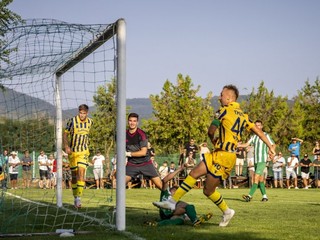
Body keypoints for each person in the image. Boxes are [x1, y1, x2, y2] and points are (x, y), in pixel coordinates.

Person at [153, 84, 275, 227]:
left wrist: (213, 140)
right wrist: (270, 147)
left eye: (222, 95)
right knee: (194, 173)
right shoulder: (244, 116)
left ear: (229, 98)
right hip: (223, 155)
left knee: (208, 190)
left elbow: (211, 131)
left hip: (223, 157)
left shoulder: (223, 111)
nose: (219, 97)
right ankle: (172, 202)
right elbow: (260, 133)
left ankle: (227, 211)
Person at [147, 164, 212, 227]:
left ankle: (157, 224)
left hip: (170, 214)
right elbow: (165, 180)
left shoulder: (176, 199)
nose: (176, 192)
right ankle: (195, 220)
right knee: (187, 207)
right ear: (171, 189)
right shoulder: (166, 191)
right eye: (175, 190)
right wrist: (180, 169)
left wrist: (202, 218)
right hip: (164, 211)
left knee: (181, 219)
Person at [64, 104, 93, 208]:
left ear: (87, 113)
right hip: (73, 152)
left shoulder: (90, 122)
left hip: (84, 152)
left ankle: (79, 198)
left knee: (81, 172)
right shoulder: (72, 121)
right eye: (80, 113)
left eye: (84, 113)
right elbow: (65, 134)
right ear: (78, 112)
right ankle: (75, 196)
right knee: (74, 176)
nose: (82, 115)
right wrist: (66, 146)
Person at [125, 113, 163, 190]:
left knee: (160, 186)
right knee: (118, 184)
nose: (132, 123)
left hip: (145, 163)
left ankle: (170, 199)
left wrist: (128, 154)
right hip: (132, 164)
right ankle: (119, 202)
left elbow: (143, 152)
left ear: (137, 122)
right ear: (127, 121)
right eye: (130, 121)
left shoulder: (141, 134)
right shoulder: (124, 134)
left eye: (134, 121)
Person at [241, 120, 275, 202]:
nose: (257, 127)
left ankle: (249, 196)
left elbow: (273, 144)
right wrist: (236, 145)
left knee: (255, 177)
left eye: (259, 125)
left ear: (262, 126)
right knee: (260, 179)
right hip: (256, 160)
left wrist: (271, 152)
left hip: (262, 160)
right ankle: (265, 197)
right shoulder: (254, 136)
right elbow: (246, 144)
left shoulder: (266, 135)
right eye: (256, 126)